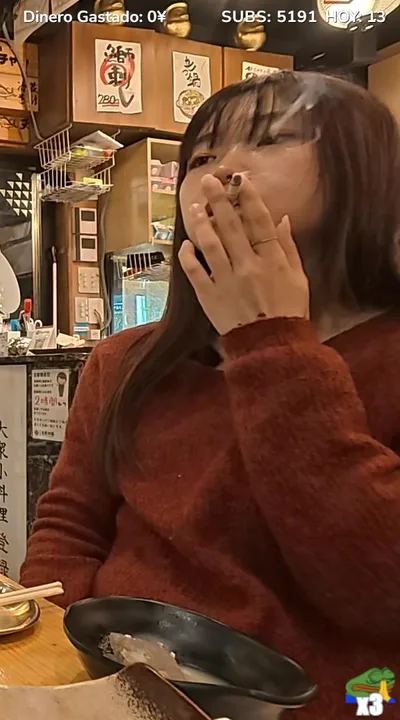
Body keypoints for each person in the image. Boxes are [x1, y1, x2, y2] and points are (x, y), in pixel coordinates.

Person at [20, 71, 400, 716]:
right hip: (109, 690)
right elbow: (70, 528)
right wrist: (59, 663)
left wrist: (270, 344)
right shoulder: (126, 361)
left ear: (362, 168)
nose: (222, 170)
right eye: (200, 157)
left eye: (271, 139)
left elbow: (381, 593)